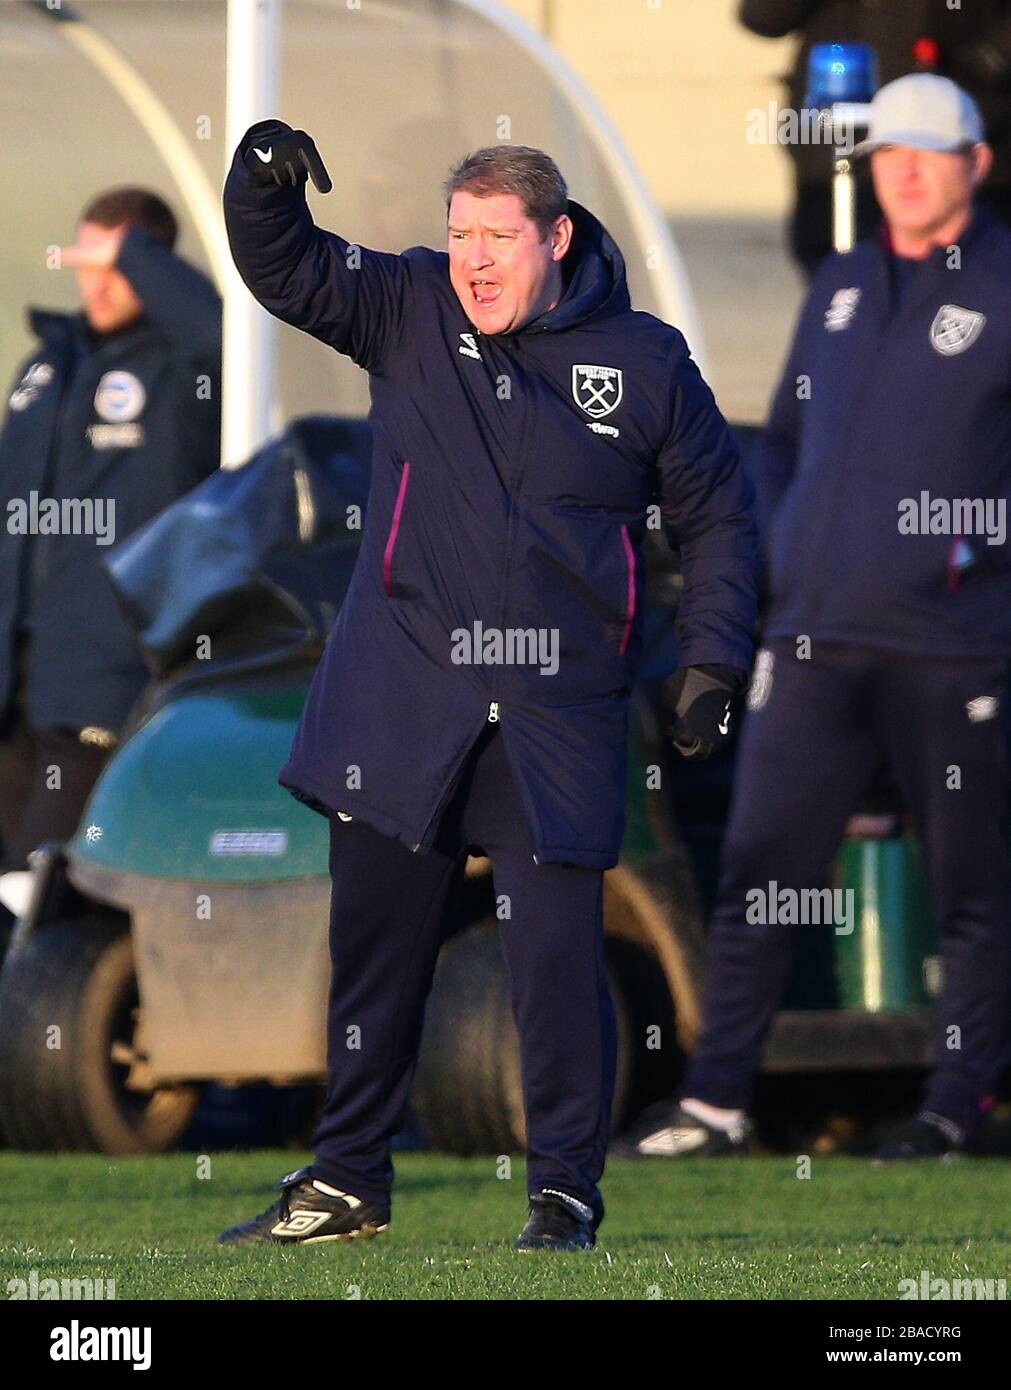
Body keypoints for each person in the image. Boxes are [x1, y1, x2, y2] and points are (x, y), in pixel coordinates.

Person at [217, 124, 759, 1249]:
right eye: (458, 234)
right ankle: (347, 1181)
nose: (472, 259)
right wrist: (261, 184)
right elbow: (286, 267)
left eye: (497, 237)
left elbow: (717, 517)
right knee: (375, 958)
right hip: (399, 698)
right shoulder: (407, 306)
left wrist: (714, 660)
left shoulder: (648, 361)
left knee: (556, 970)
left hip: (555, 717)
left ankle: (564, 1193)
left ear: (556, 238)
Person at [616, 74, 1011, 1163]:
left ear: (976, 163)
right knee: (763, 869)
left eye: (930, 152)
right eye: (890, 152)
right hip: (816, 639)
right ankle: (718, 1101)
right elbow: (785, 442)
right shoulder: (838, 281)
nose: (908, 169)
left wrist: (975, 547)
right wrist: (778, 554)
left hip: (957, 646)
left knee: (970, 885)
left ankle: (957, 1104)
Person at [0, 188, 221, 911]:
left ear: (153, 261)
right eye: (85, 259)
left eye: (115, 264)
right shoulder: (45, 367)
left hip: (101, 680)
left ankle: (54, 1020)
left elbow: (223, 331)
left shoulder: (180, 370)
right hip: (16, 687)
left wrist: (134, 254)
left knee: (46, 890)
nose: (94, 282)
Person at [740, 0, 1011, 275]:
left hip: (963, 158)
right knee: (839, 286)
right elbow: (763, 17)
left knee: (965, 286)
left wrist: (988, 60)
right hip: (835, 164)